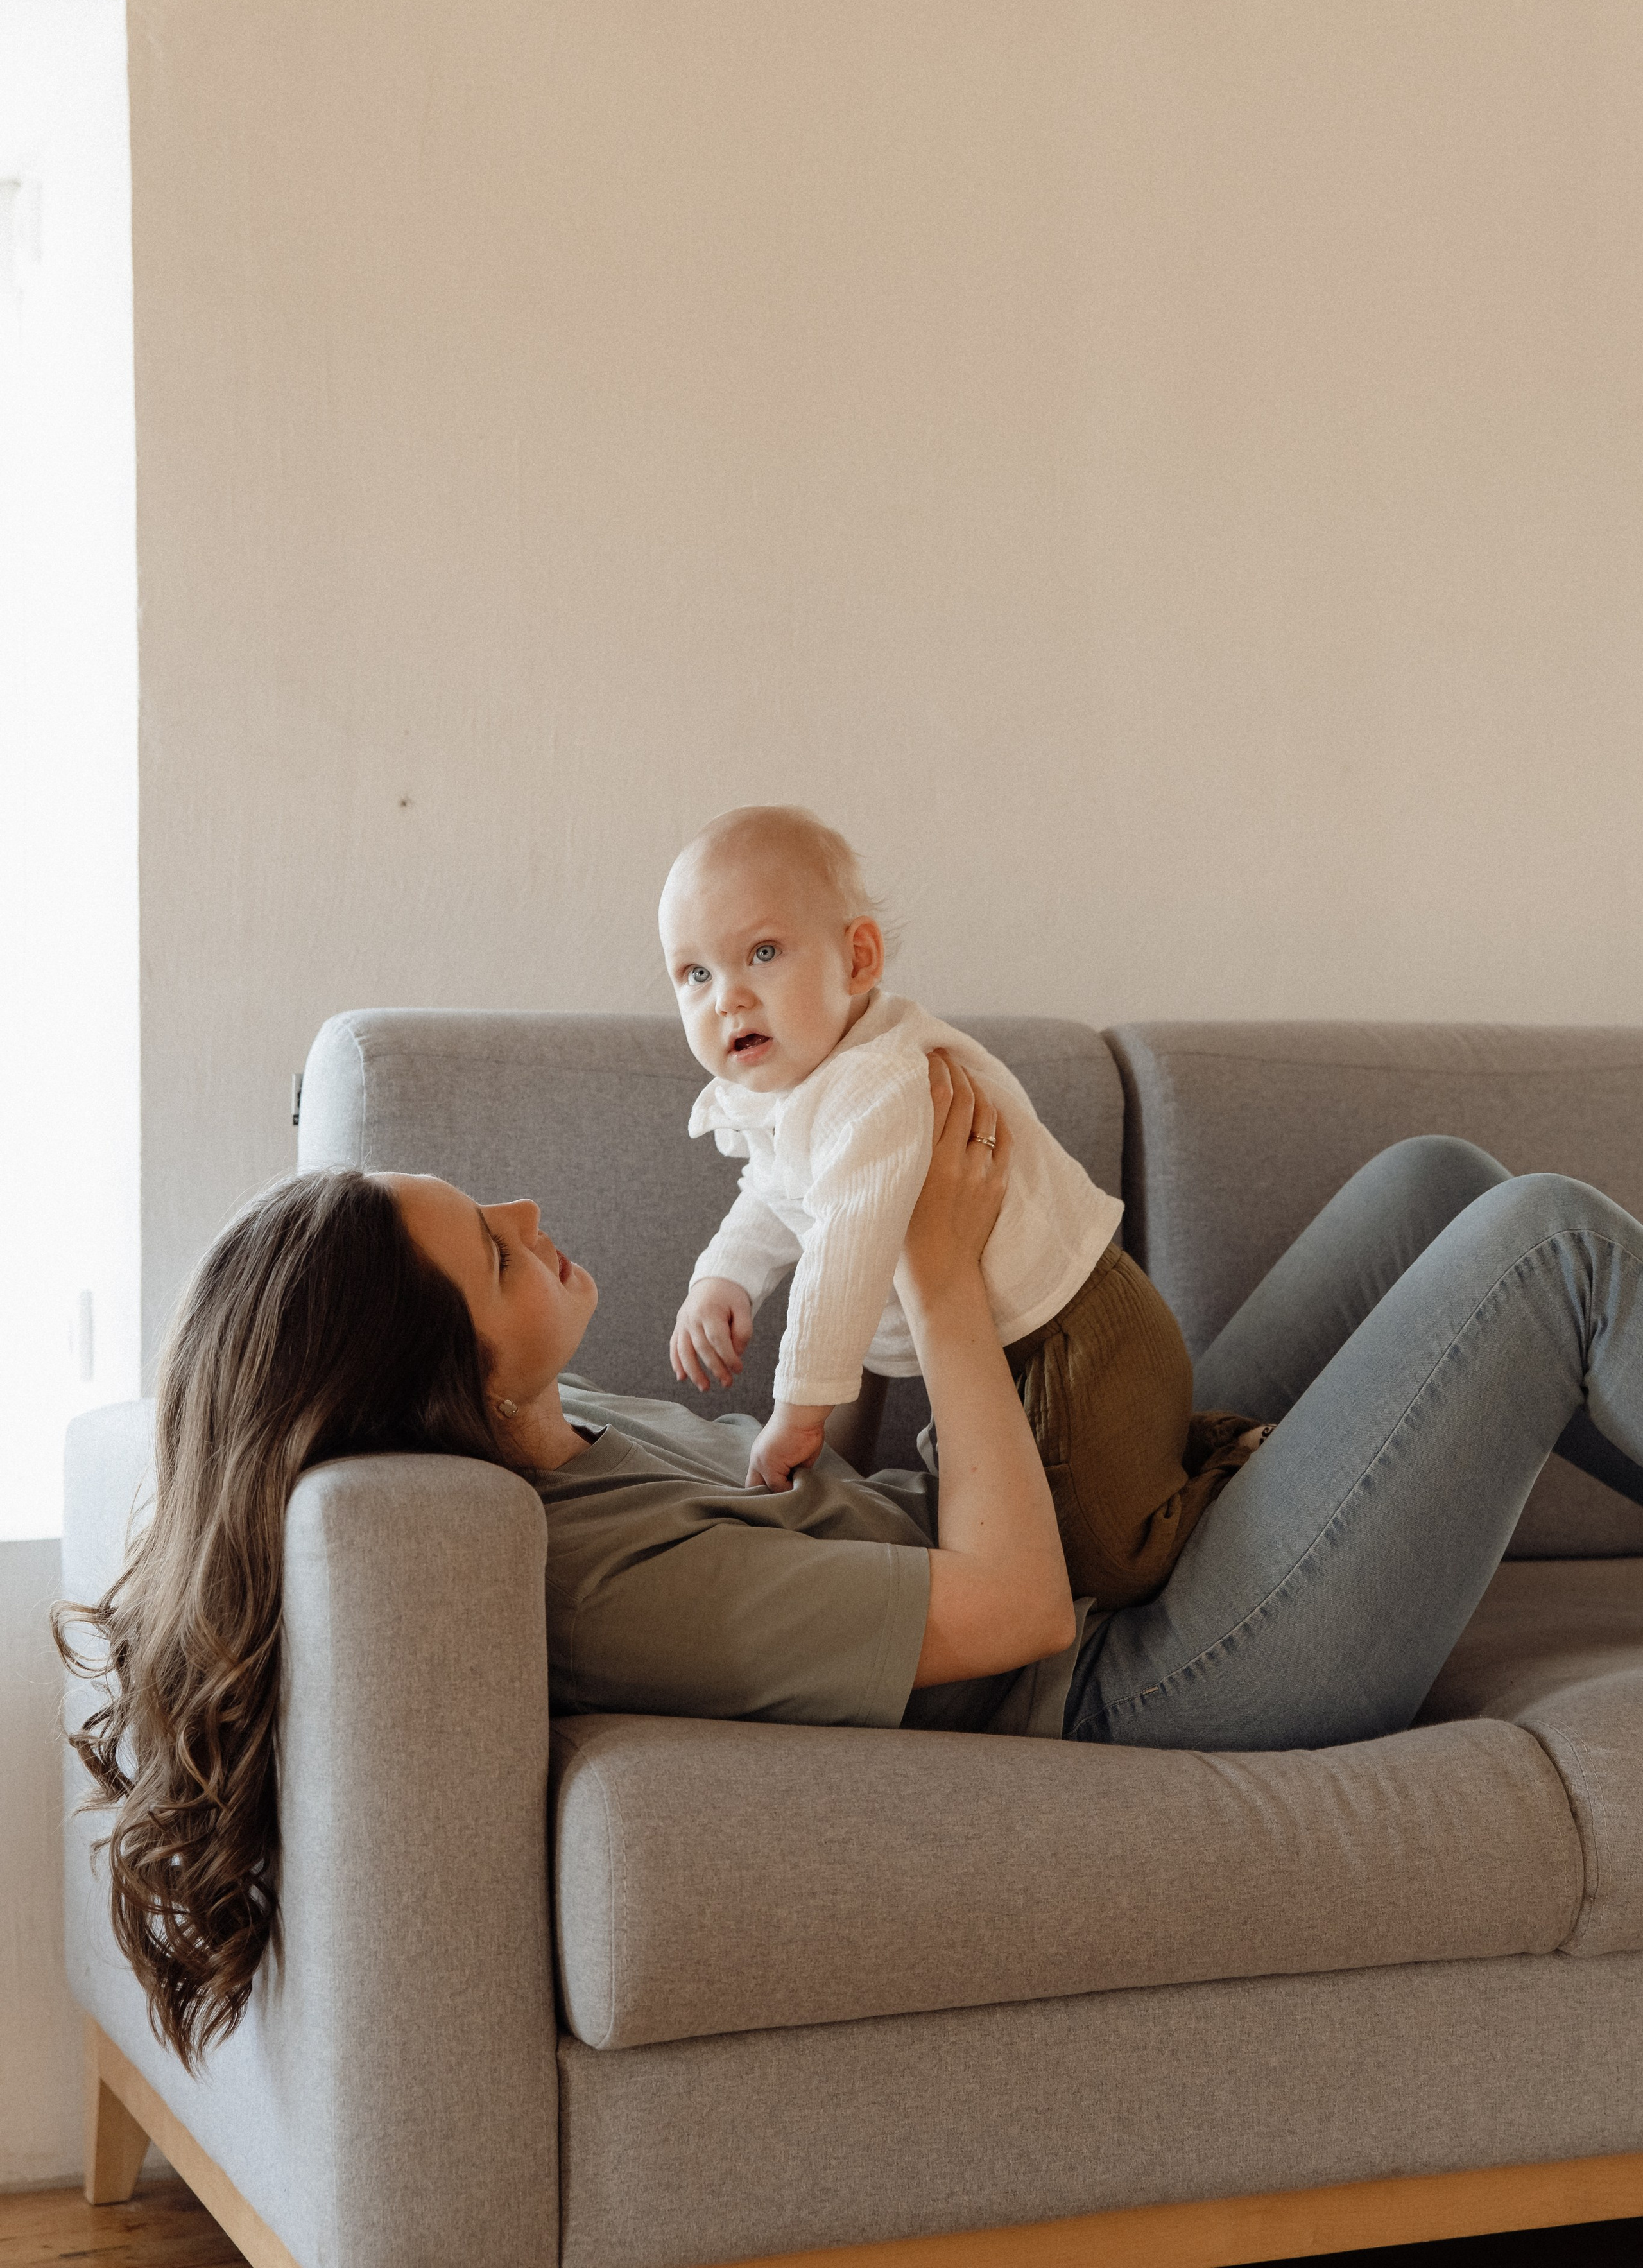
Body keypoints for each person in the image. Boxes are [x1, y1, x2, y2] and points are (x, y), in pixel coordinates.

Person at [60, 1052, 1643, 2072]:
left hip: (1107, 1549)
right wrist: (942, 1283)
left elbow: (821, 1476)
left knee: (1433, 1180)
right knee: (1552, 1242)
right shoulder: (599, 1578)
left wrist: (869, 1244)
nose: (525, 1203)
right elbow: (1011, 1611)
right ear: (444, 1387)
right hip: (1151, 1679)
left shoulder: (564, 1419)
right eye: (486, 1247)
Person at [660, 804, 1265, 1603]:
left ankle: (1247, 1466)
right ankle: (1171, 1450)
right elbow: (775, 1193)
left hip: (1076, 1334)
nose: (728, 999)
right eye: (696, 975)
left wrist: (797, 1414)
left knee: (1115, 1564)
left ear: (859, 958)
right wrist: (724, 1280)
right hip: (1008, 1354)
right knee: (1033, 1520)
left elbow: (843, 1252)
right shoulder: (802, 1089)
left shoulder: (876, 1082)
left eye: (762, 953)